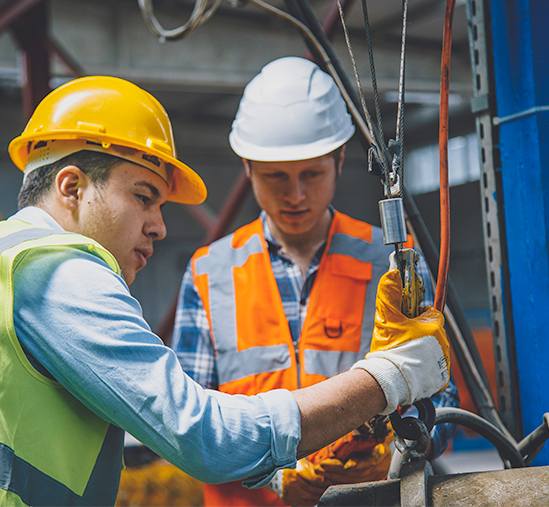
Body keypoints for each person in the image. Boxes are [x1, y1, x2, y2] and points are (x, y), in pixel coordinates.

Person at [0, 76, 450, 507]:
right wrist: (389, 377)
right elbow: (206, 438)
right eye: (143, 197)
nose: (159, 225)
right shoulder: (58, 271)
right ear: (73, 187)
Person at [172, 56, 460, 506]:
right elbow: (187, 427)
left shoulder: (392, 263)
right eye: (275, 177)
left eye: (311, 173)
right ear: (247, 168)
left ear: (340, 160)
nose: (295, 195)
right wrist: (274, 476)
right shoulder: (208, 271)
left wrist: (397, 447)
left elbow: (441, 403)